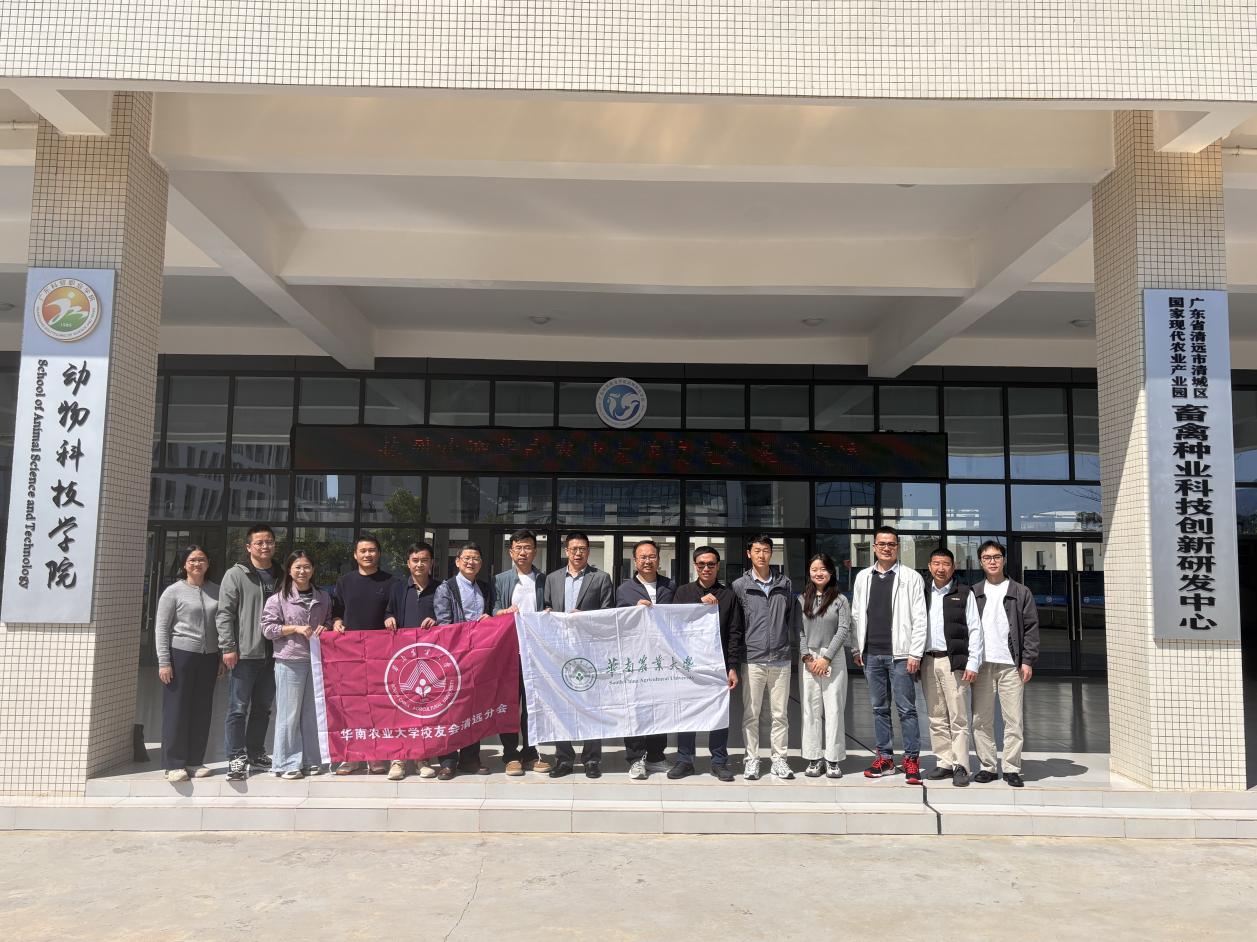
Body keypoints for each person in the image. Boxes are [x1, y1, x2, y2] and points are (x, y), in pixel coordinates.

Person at [851, 525, 928, 785]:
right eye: (882, 544)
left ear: (898, 547)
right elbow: (856, 614)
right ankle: (884, 758)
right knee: (878, 709)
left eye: (891, 544)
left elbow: (920, 618)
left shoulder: (911, 577)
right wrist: (856, 647)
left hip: (902, 655)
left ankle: (911, 759)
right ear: (874, 547)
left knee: (906, 709)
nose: (886, 548)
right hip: (871, 654)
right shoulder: (863, 577)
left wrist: (915, 653)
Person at [542, 532, 615, 779]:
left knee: (592, 706)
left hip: (589, 651)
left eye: (582, 548)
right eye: (573, 548)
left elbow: (608, 613)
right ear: (566, 551)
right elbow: (546, 607)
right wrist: (548, 613)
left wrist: (584, 617)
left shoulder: (601, 578)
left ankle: (592, 759)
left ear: (588, 551)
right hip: (559, 652)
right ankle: (563, 759)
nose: (577, 553)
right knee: (561, 705)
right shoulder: (552, 578)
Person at [970, 540, 1040, 788]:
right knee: (981, 719)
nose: (992, 561)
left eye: (996, 557)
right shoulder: (974, 592)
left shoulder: (1020, 592)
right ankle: (987, 767)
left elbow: (1031, 628)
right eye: (987, 557)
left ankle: (1011, 768)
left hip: (1011, 665)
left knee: (1014, 720)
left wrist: (1027, 660)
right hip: (982, 664)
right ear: (980, 562)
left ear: (1004, 559)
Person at [671, 545, 744, 781]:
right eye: (701, 564)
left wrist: (732, 667)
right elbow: (673, 624)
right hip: (688, 664)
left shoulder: (728, 595)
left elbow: (735, 633)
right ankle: (684, 760)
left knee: (718, 713)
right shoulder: (683, 592)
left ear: (718, 566)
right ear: (695, 566)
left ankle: (719, 761)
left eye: (710, 564)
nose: (706, 568)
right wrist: (698, 603)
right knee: (687, 712)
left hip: (717, 665)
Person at [216, 524, 282, 781]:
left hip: (274, 653)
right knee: (238, 708)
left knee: (263, 708)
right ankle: (236, 756)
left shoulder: (281, 574)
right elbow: (224, 614)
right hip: (245, 653)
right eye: (259, 542)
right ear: (248, 547)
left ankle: (256, 753)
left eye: (269, 542)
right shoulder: (236, 574)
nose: (265, 546)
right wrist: (228, 647)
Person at [731, 534, 798, 782]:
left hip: (780, 657)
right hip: (753, 658)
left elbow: (790, 617)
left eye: (766, 550)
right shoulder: (740, 585)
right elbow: (736, 623)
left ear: (772, 553)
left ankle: (779, 758)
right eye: (757, 550)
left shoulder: (784, 583)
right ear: (749, 553)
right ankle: (752, 759)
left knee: (780, 714)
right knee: (751, 713)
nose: (762, 555)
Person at [260, 550, 331, 780]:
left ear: (313, 569)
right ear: (289, 570)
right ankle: (287, 762)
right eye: (297, 567)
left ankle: (311, 760)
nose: (302, 571)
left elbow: (329, 620)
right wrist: (294, 628)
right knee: (289, 714)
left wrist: (327, 627)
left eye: (307, 566)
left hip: (317, 661)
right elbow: (268, 629)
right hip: (290, 661)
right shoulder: (278, 599)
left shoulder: (323, 597)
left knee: (312, 713)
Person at [330, 533, 394, 775]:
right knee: (352, 705)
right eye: (363, 551)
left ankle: (376, 756)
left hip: (382, 654)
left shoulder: (391, 582)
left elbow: (394, 609)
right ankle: (352, 756)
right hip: (351, 654)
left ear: (379, 554)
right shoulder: (344, 582)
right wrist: (336, 621)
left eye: (372, 550)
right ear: (355, 555)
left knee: (378, 705)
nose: (368, 554)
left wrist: (390, 616)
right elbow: (337, 611)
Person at [156, 545, 221, 783]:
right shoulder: (173, 592)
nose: (197, 564)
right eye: (192, 560)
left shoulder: (217, 591)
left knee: (202, 709)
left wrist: (221, 654)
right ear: (184, 564)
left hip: (209, 656)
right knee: (177, 709)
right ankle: (173, 764)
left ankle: (194, 761)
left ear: (208, 563)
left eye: (201, 559)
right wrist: (164, 661)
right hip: (181, 654)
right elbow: (161, 628)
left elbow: (222, 625)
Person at [492, 528, 553, 776]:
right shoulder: (500, 580)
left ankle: (531, 752)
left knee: (532, 706)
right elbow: (493, 609)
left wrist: (549, 611)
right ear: (511, 552)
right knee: (508, 704)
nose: (523, 552)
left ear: (535, 551)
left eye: (527, 547)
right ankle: (510, 754)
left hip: (534, 653)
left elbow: (550, 605)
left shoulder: (543, 580)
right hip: (508, 653)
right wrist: (502, 612)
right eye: (518, 547)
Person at [921, 547, 983, 788]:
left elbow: (975, 629)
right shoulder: (923, 591)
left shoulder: (964, 593)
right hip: (928, 660)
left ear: (953, 567)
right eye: (936, 563)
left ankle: (961, 765)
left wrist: (973, 662)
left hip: (953, 661)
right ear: (929, 566)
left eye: (946, 564)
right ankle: (944, 762)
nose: (941, 568)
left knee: (958, 716)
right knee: (936, 715)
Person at [616, 539, 677, 780]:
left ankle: (656, 756)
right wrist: (634, 610)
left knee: (659, 707)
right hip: (635, 658)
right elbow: (617, 622)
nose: (648, 561)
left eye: (652, 556)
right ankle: (635, 758)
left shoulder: (670, 586)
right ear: (635, 561)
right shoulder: (624, 590)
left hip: (662, 658)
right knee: (635, 708)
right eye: (643, 557)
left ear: (659, 560)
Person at [432, 542, 493, 779]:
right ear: (457, 562)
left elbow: (490, 618)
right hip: (454, 657)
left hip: (479, 658)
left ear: (481, 563)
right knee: (450, 710)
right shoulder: (446, 588)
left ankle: (470, 759)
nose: (471, 562)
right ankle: (448, 761)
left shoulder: (485, 588)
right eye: (466, 558)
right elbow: (444, 624)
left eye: (475, 558)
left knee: (473, 709)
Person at [383, 541, 440, 781]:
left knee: (424, 710)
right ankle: (398, 759)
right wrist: (388, 618)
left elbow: (446, 616)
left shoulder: (440, 588)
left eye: (424, 560)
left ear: (431, 563)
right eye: (415, 560)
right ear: (408, 563)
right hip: (402, 659)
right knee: (399, 710)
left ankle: (421, 758)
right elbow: (388, 611)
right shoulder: (398, 588)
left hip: (430, 661)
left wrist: (436, 620)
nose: (419, 564)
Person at [798, 553, 852, 779]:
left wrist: (826, 657)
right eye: (814, 569)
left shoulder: (840, 600)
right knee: (810, 709)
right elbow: (799, 631)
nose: (818, 573)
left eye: (823, 569)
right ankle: (813, 757)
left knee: (834, 709)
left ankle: (833, 759)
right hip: (809, 658)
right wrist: (807, 658)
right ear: (809, 573)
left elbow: (843, 629)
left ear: (831, 572)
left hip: (833, 657)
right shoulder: (802, 599)